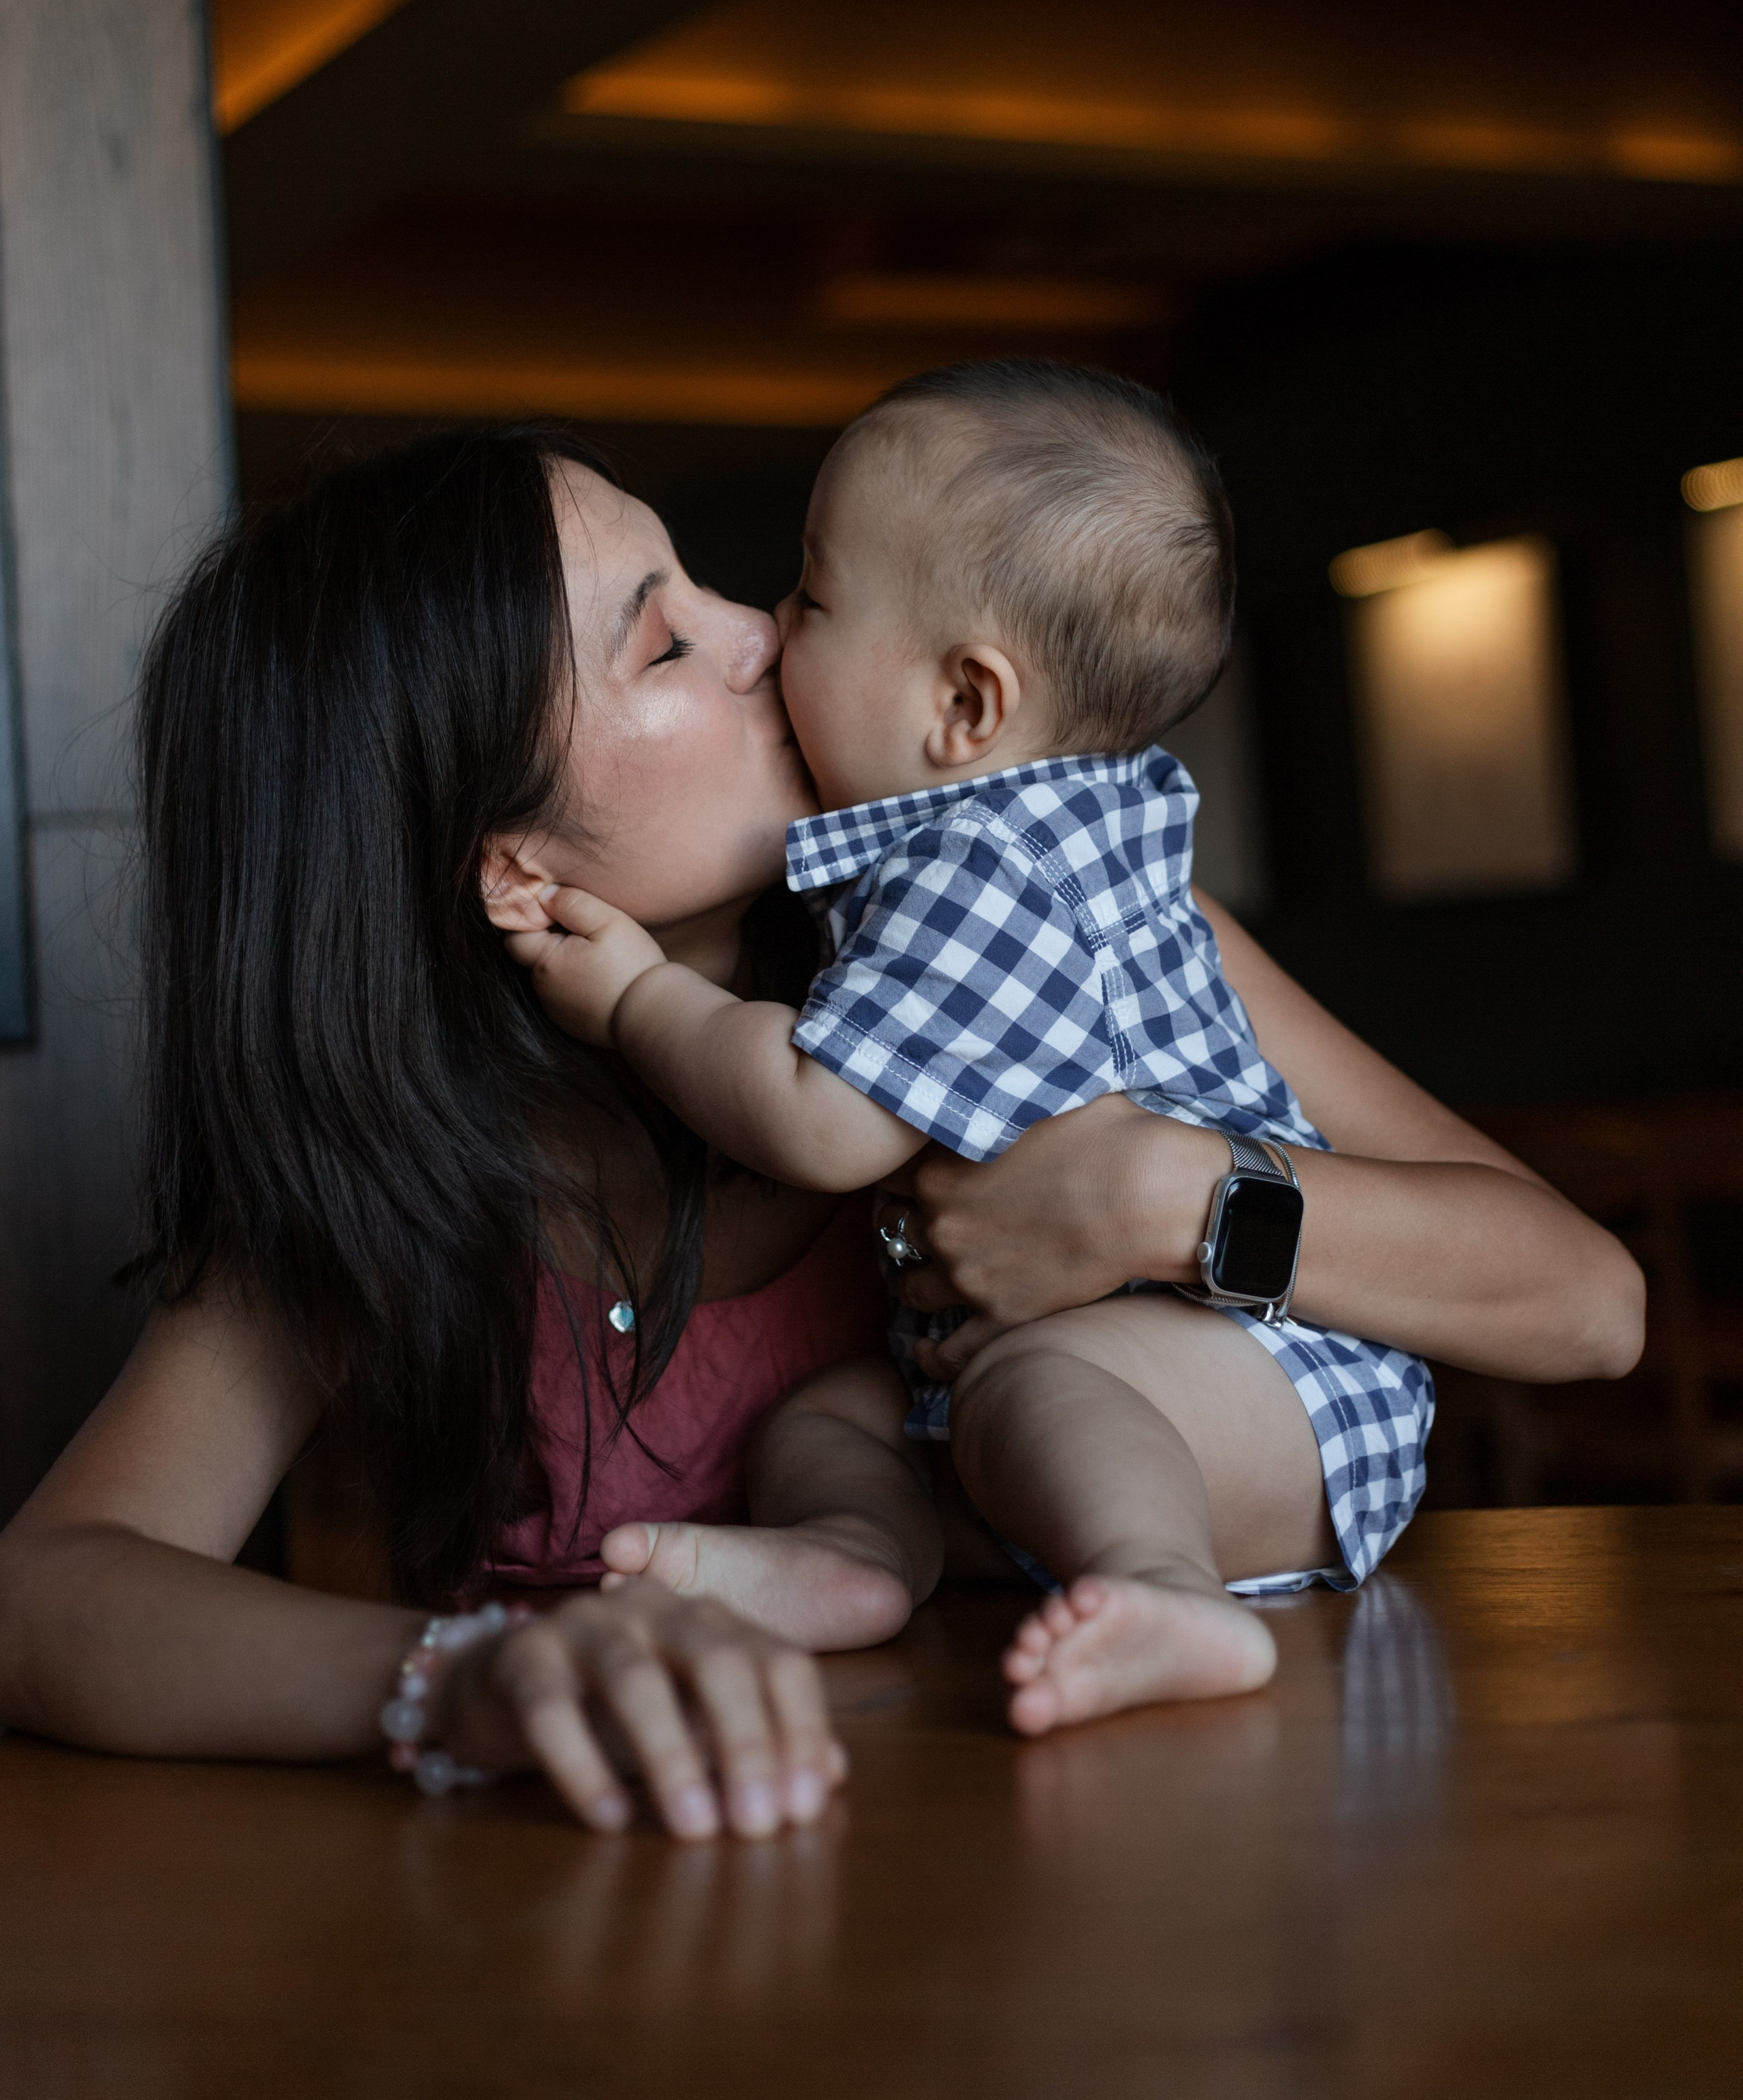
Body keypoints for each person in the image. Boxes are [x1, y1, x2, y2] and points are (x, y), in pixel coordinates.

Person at [0, 425, 1644, 1835]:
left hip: (1117, 1867)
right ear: (509, 863)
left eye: (718, 588)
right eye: (664, 645)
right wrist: (470, 1676)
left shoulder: (1043, 944)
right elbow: (53, 1589)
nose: (757, 635)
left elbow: (1584, 1302)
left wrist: (1181, 1196)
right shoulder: (388, 1186)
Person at [492, 367, 1417, 1726]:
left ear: (967, 710)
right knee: (826, 1420)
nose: (764, 625)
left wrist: (639, 1000)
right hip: (1132, 1370)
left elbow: (821, 1118)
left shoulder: (985, 869)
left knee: (1037, 1387)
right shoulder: (964, 861)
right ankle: (857, 1558)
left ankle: (1160, 1588)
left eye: (810, 598)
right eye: (671, 639)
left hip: (1250, 1369)